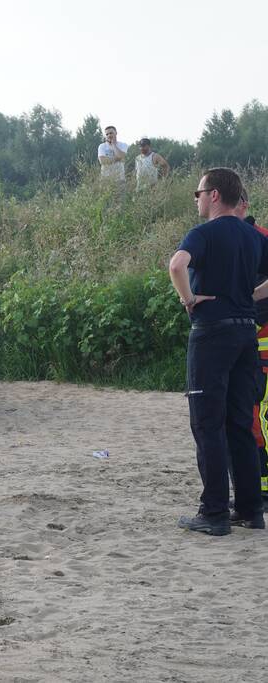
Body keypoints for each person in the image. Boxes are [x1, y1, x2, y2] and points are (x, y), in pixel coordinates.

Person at [170, 168, 268, 534]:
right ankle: (250, 510)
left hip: (212, 332)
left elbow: (177, 265)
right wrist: (252, 295)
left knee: (207, 424)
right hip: (247, 334)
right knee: (240, 423)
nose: (195, 199)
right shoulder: (251, 234)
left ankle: (213, 513)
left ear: (213, 195)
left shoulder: (203, 233)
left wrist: (189, 299)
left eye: (197, 193)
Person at [238, 191, 268, 501]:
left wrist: (248, 296)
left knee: (256, 413)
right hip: (249, 336)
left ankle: (262, 488)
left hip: (259, 338)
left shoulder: (257, 238)